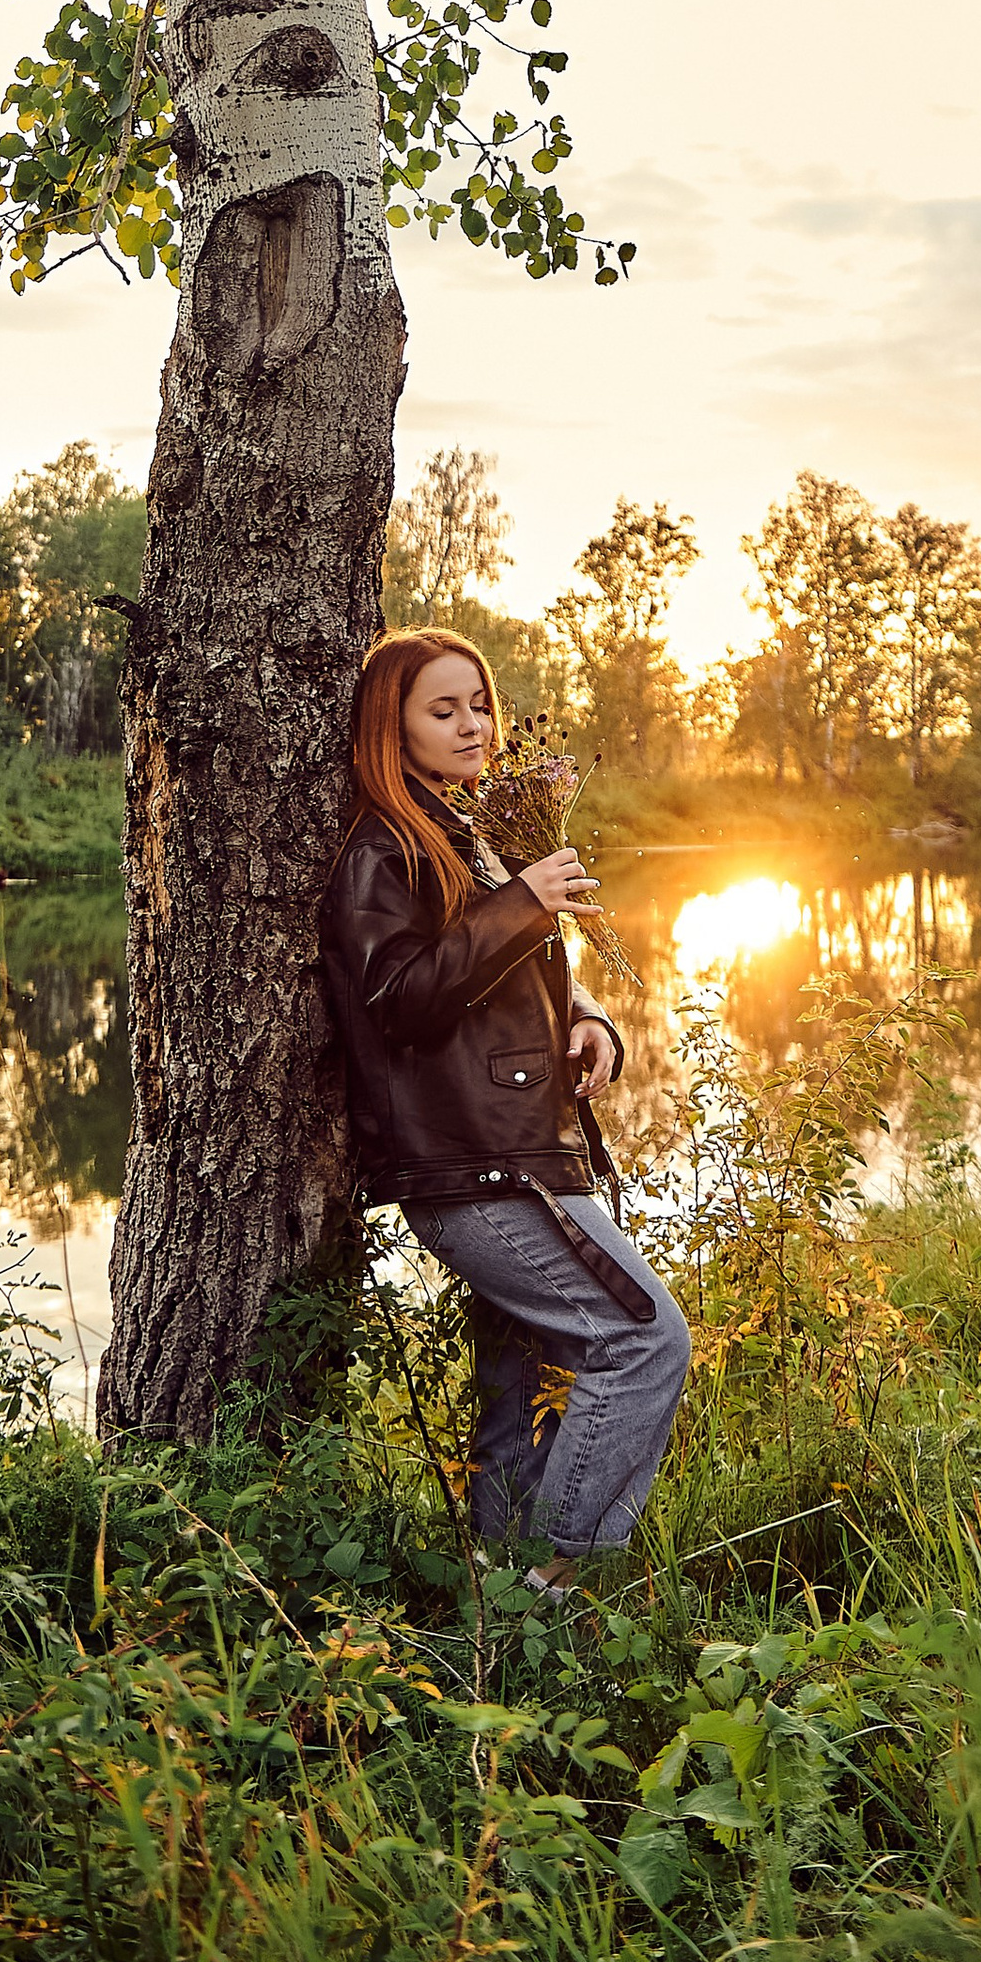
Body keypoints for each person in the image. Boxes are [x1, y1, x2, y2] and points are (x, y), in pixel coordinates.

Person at [321, 625, 690, 1591]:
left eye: (479, 703)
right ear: (387, 726)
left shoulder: (465, 835)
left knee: (518, 1382)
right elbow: (398, 1000)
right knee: (643, 1339)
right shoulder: (384, 848)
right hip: (475, 1164)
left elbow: (506, 977)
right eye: (443, 710)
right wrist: (523, 900)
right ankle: (551, 1586)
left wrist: (591, 1018)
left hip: (520, 1146)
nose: (474, 724)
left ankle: (497, 1596)